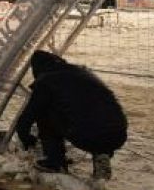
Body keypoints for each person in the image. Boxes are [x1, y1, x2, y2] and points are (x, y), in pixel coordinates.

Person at [15, 50, 127, 180]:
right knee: (91, 115)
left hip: (87, 135)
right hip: (118, 133)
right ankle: (101, 154)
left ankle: (55, 161)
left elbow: (26, 119)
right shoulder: (83, 73)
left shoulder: (46, 81)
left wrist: (28, 141)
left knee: (44, 112)